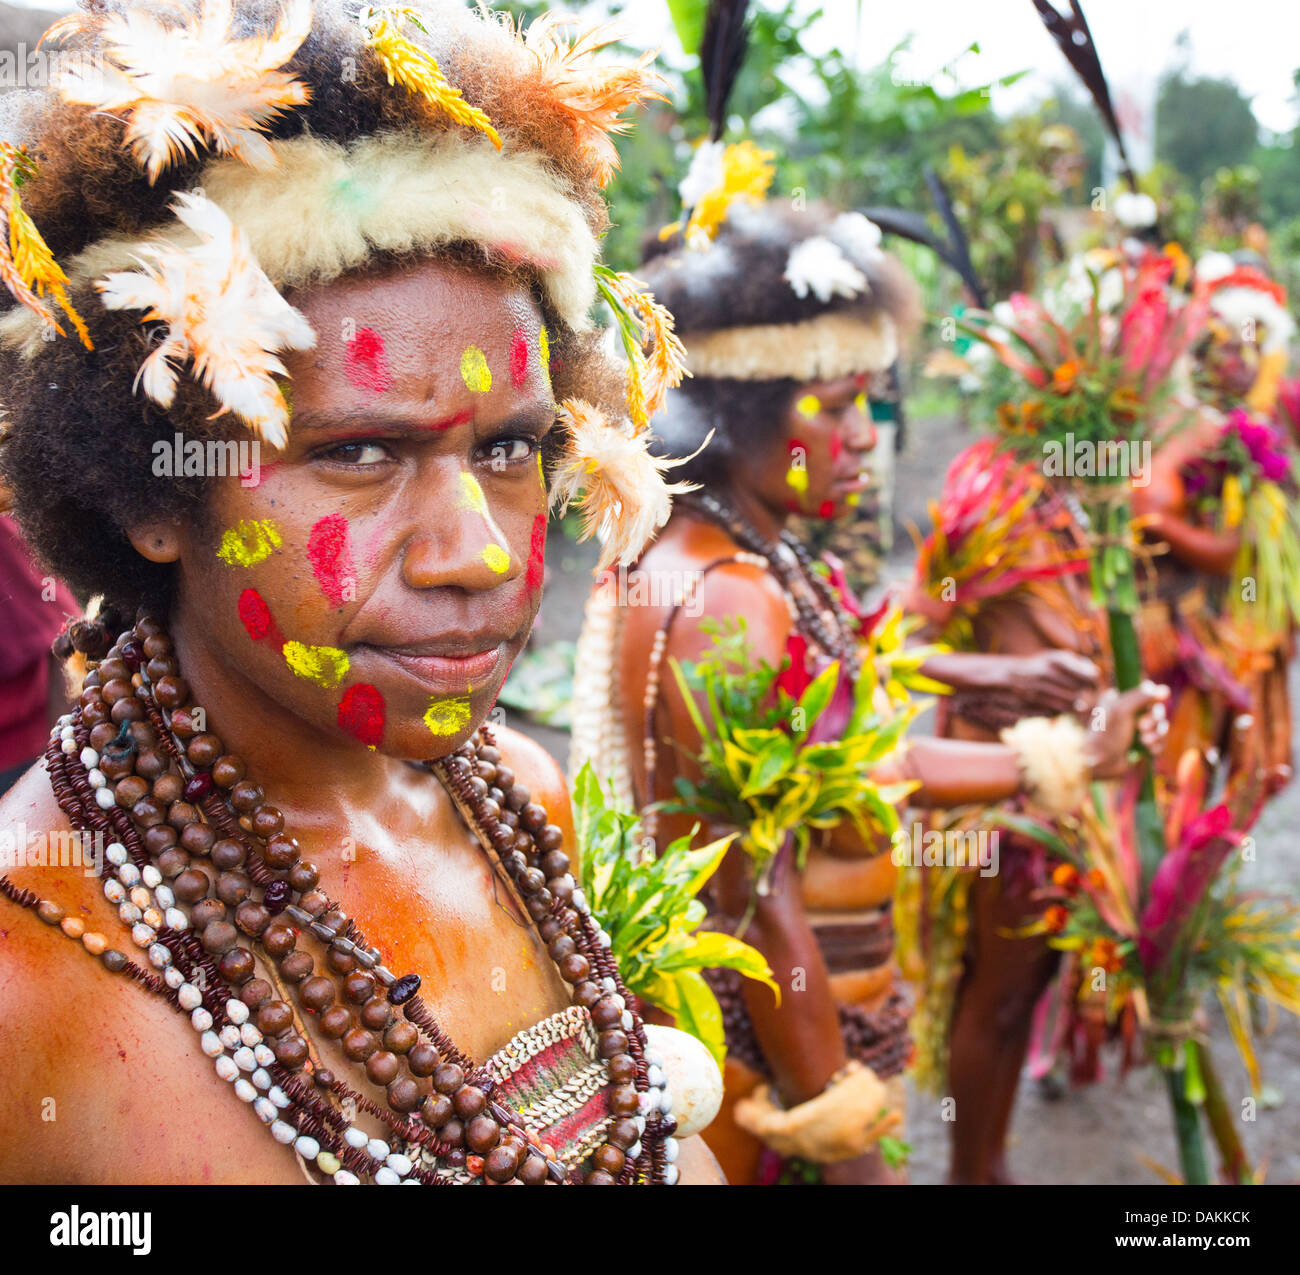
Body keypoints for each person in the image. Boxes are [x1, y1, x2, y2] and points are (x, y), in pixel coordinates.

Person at [0, 0, 723, 1186]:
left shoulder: (528, 802)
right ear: (150, 495)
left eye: (506, 451)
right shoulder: (35, 953)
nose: (477, 553)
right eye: (360, 454)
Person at [571, 200, 1166, 1184]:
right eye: (836, 406)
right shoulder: (726, 593)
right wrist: (836, 1133)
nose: (861, 438)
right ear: (746, 408)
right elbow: (752, 895)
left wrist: (1067, 752)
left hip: (786, 1025)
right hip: (774, 1053)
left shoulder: (731, 552)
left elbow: (843, 768)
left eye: (868, 408)